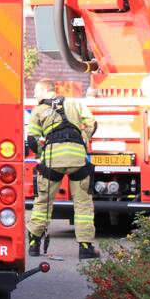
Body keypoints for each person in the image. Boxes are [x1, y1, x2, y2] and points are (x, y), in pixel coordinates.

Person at [25, 79, 99, 260]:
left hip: (52, 160)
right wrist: (83, 138)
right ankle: (85, 248)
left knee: (43, 202)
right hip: (78, 160)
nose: (35, 95)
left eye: (36, 92)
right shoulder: (74, 103)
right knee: (83, 204)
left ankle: (34, 244)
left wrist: (42, 153)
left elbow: (32, 139)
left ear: (45, 90)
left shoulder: (39, 110)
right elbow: (92, 123)